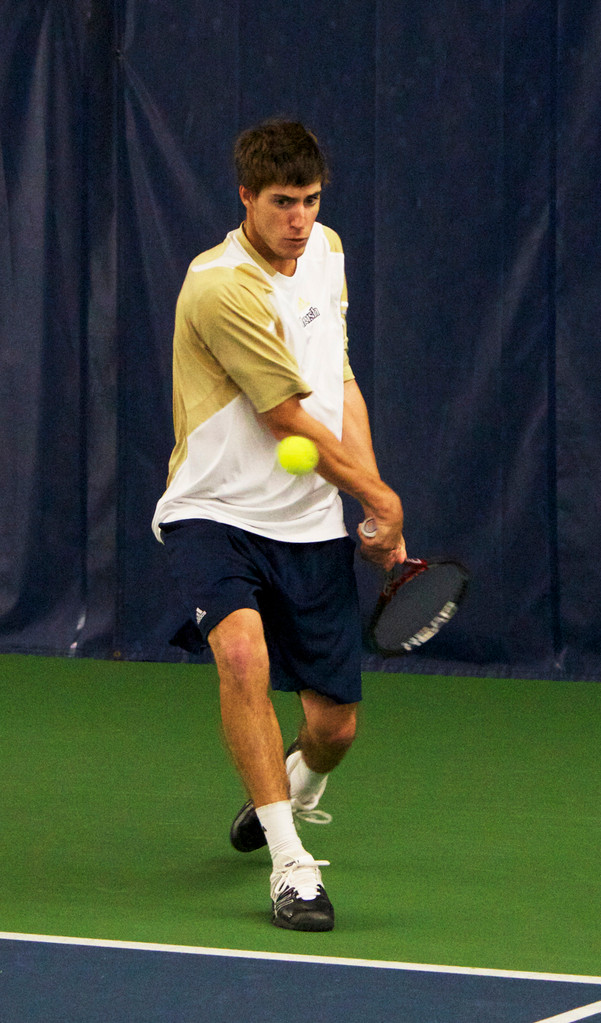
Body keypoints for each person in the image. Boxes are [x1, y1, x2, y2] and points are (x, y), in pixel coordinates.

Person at [152, 119, 406, 932]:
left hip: (306, 523)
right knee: (240, 654)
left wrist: (373, 499)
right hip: (214, 510)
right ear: (245, 199)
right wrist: (380, 495)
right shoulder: (219, 284)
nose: (298, 218)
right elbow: (289, 420)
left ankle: (290, 785)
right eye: (281, 203)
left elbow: (337, 379)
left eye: (310, 200)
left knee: (334, 727)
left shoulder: (327, 253)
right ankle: (290, 864)